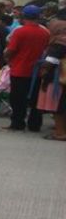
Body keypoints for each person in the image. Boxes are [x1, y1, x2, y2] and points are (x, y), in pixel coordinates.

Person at [4, 5, 49, 132]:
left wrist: (6, 57)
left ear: (24, 16)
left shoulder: (20, 31)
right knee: (36, 99)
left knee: (17, 99)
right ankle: (35, 124)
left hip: (19, 70)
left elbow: (11, 50)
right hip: (38, 71)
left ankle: (18, 123)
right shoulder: (45, 32)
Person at [36, 8, 66, 140]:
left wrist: (43, 72)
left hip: (58, 78)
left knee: (60, 106)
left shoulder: (59, 42)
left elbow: (50, 62)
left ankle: (60, 133)